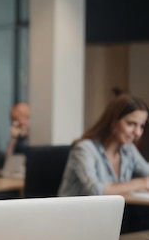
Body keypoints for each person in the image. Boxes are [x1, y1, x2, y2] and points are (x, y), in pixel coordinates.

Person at [58, 94, 149, 233]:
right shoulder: (84, 148)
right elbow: (95, 191)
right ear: (113, 121)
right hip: (75, 221)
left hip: (108, 219)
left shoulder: (127, 149)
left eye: (141, 126)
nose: (137, 132)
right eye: (131, 124)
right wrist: (140, 183)